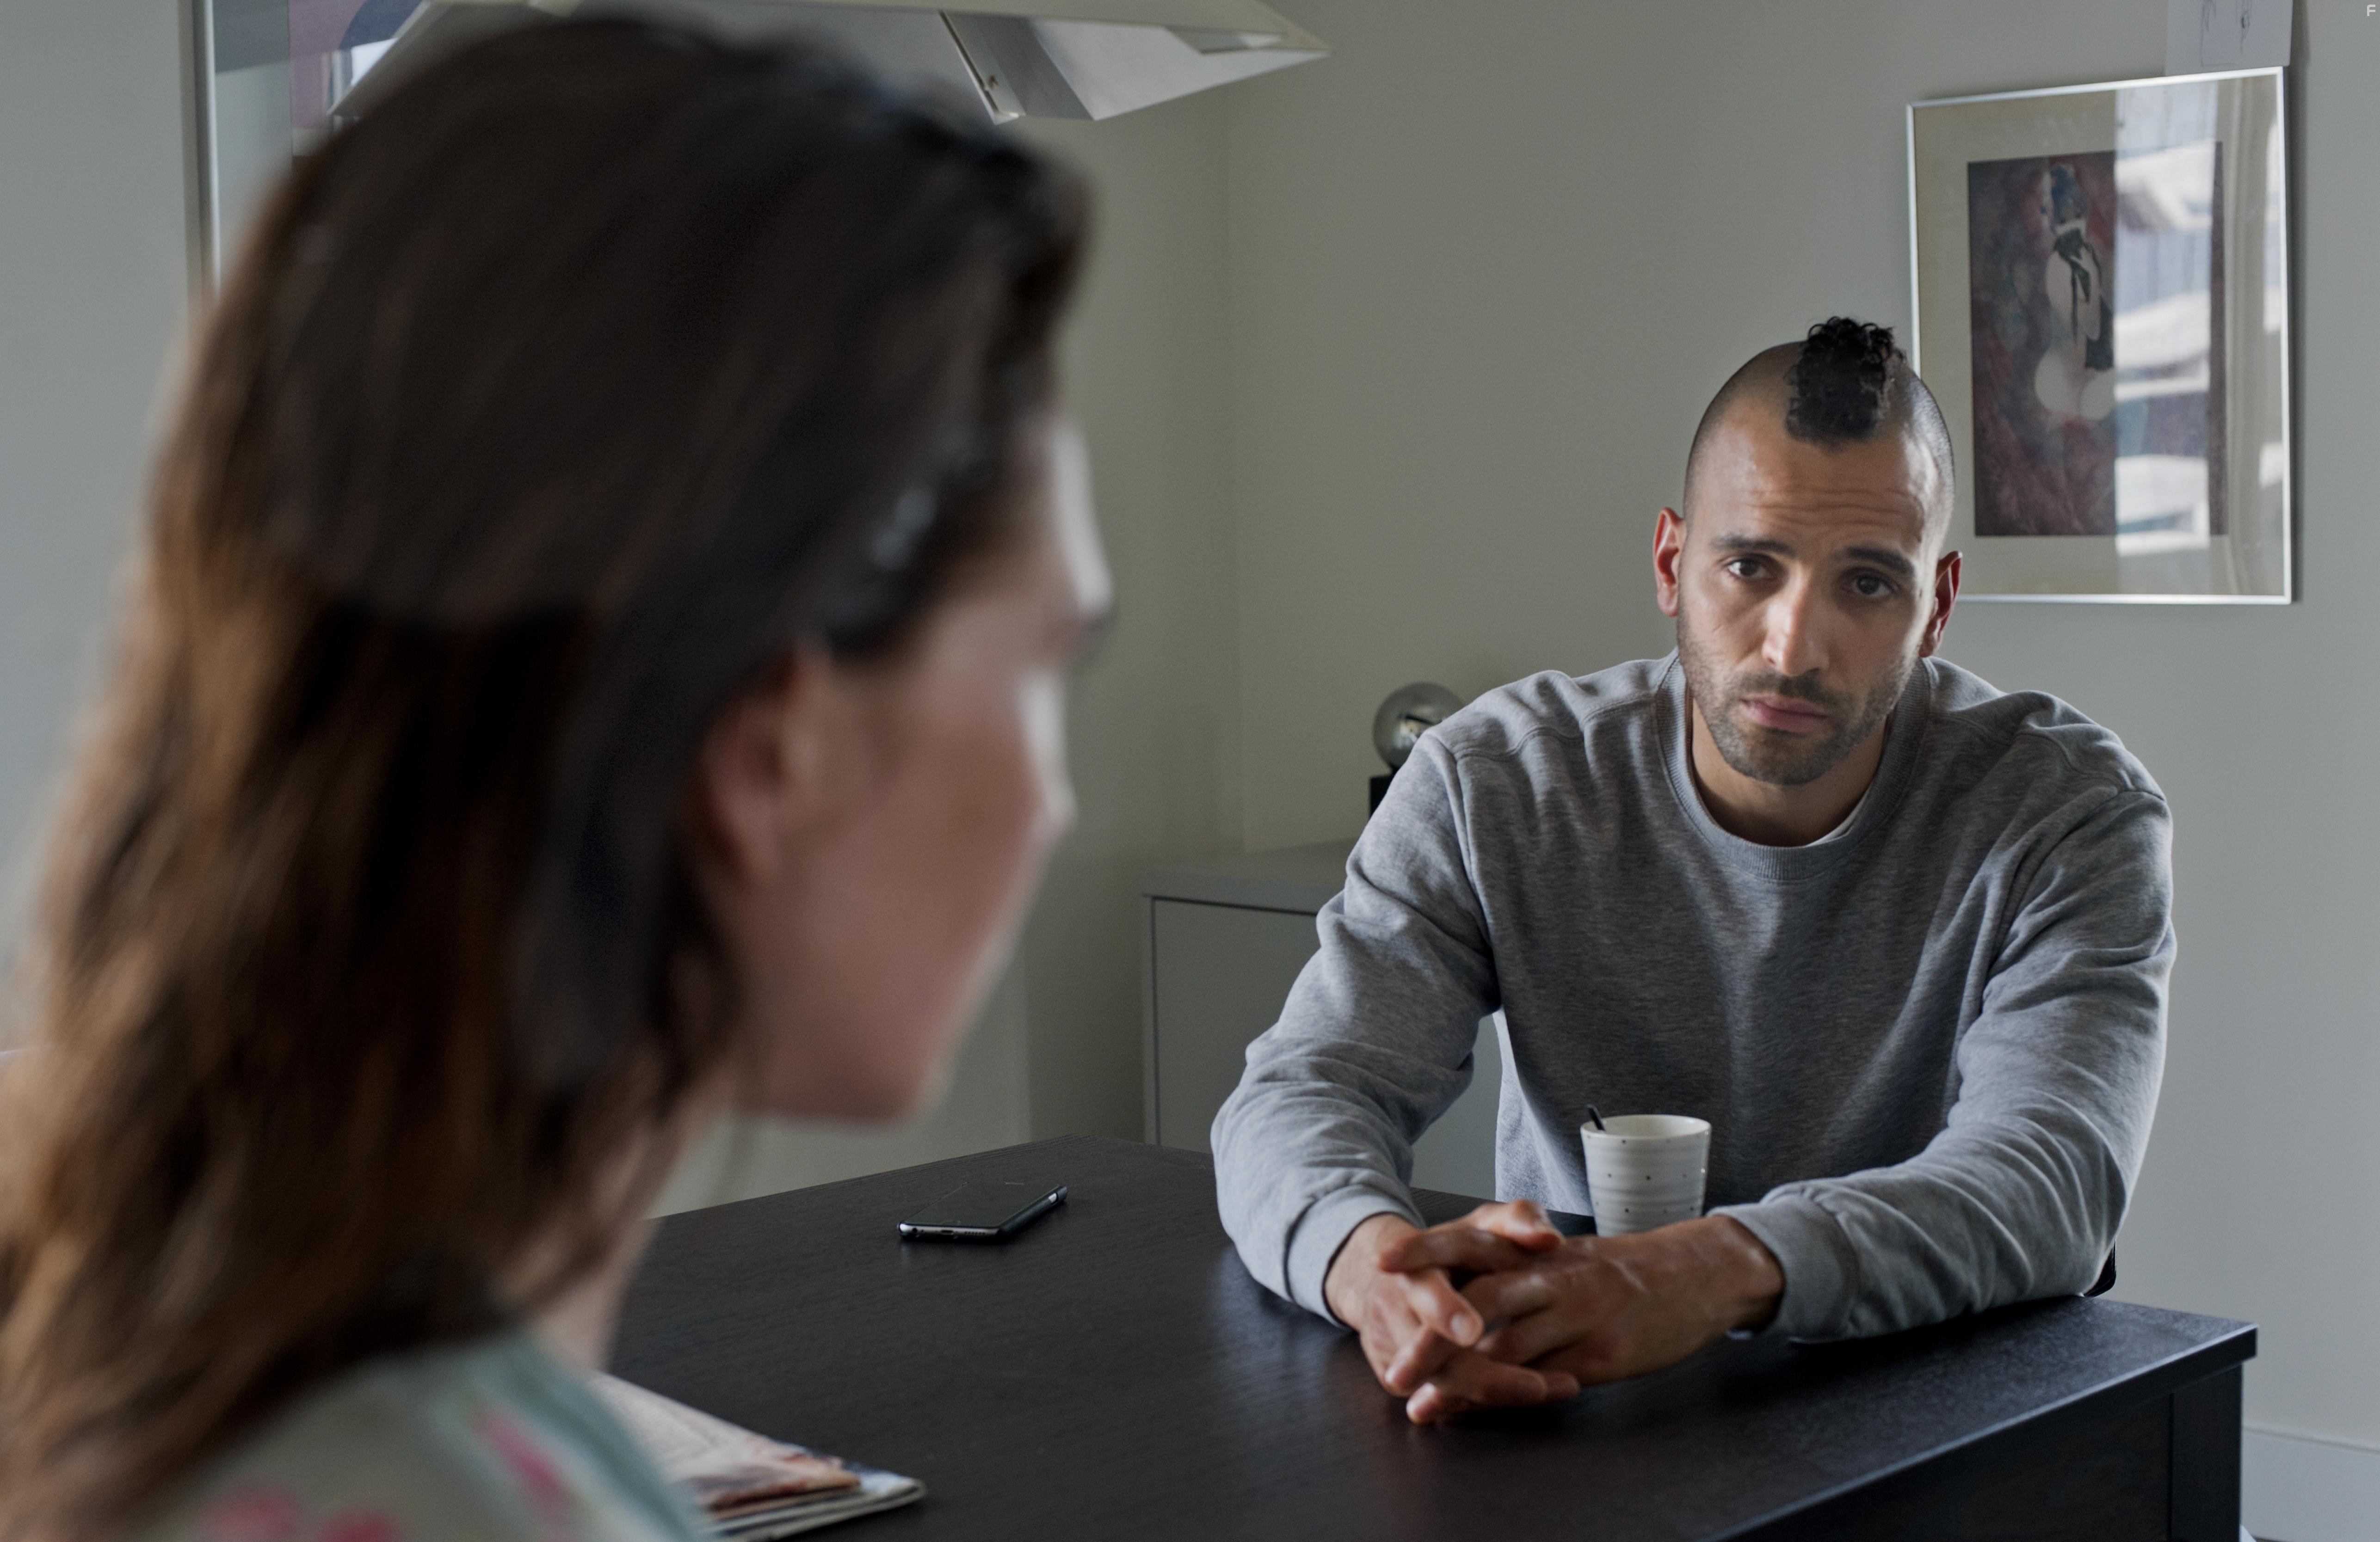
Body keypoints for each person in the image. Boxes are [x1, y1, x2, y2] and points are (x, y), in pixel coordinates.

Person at [0, 19, 1104, 1541]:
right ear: (766, 743)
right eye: (1046, 669)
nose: (1055, 802)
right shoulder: (451, 1500)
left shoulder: (153, 1318)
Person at [1213, 317, 2172, 1424]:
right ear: (1671, 563)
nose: (1791, 647)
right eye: (1748, 566)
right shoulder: (1493, 784)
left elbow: (2051, 1180)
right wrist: (1370, 1268)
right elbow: (1307, 1089)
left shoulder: (2066, 812)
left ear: (1936, 607)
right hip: (1566, 1393)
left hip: (1928, 1406)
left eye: (1866, 583)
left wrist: (1709, 1270)